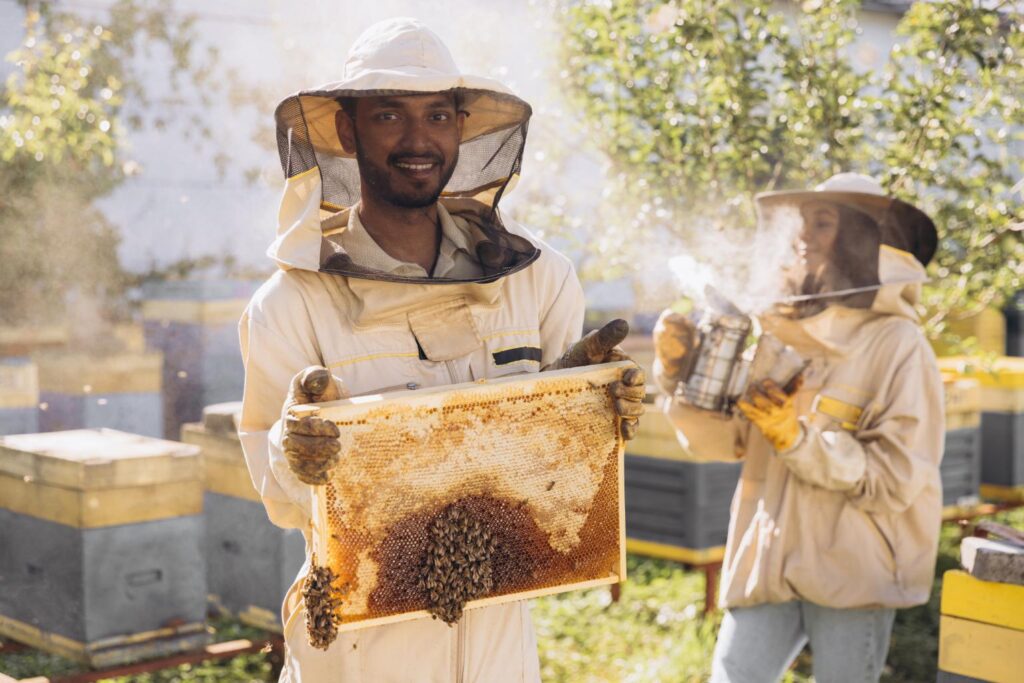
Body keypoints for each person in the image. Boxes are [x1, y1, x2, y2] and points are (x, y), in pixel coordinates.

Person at [237, 17, 644, 683]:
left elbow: (555, 484)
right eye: (390, 115)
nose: (418, 139)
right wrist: (295, 447)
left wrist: (584, 406)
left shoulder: (538, 279)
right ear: (348, 130)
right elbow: (281, 495)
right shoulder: (290, 304)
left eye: (438, 115)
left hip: (498, 642)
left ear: (462, 127)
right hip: (362, 648)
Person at [653, 173, 943, 682]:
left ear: (860, 236)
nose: (802, 236)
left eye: (822, 222)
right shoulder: (782, 334)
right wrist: (678, 375)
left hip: (856, 570)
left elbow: (898, 475)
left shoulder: (899, 345)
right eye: (801, 222)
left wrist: (796, 438)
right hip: (769, 557)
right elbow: (728, 441)